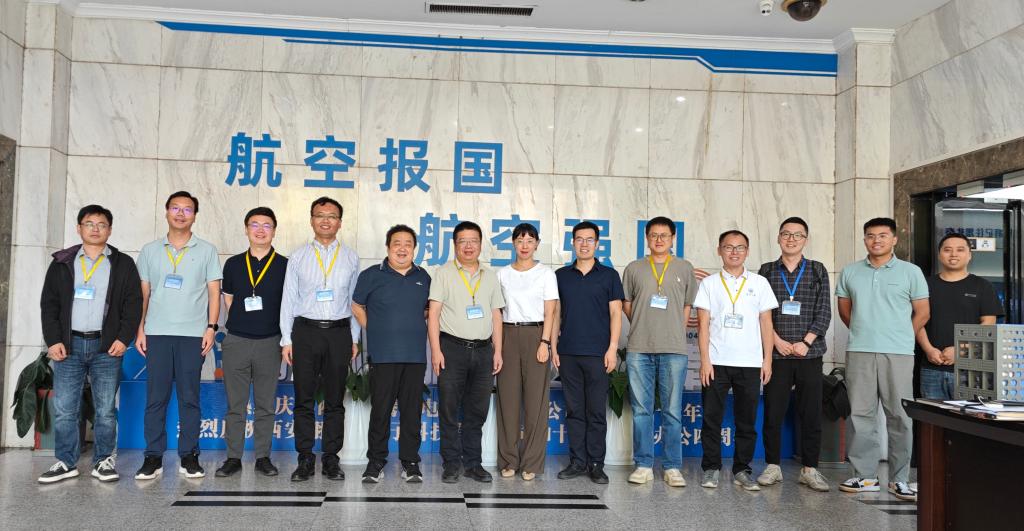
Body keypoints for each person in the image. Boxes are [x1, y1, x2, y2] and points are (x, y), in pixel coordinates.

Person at [38, 205, 142, 484]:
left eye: (101, 224)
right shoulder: (62, 263)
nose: (95, 229)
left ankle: (103, 461)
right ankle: (65, 462)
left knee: (105, 409)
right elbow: (49, 304)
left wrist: (123, 339)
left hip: (106, 347)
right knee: (65, 409)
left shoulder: (122, 264)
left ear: (110, 229)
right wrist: (53, 340)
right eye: (89, 223)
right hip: (68, 346)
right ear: (79, 228)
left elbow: (133, 304)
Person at [837, 217, 929, 502]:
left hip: (898, 353)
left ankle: (900, 479)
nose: (876, 240)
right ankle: (865, 476)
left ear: (894, 239)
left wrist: (901, 335)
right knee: (860, 414)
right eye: (870, 235)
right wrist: (866, 332)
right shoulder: (850, 272)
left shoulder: (911, 272)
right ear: (864, 239)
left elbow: (923, 312)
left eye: (882, 235)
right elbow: (845, 311)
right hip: (860, 350)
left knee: (900, 415)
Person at [134, 191, 222, 480]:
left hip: (192, 335)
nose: (181, 213)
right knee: (155, 398)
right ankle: (153, 457)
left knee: (189, 398)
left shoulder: (207, 250)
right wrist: (140, 328)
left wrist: (211, 327)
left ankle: (189, 455)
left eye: (187, 209)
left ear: (195, 215)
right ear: (166, 212)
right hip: (157, 333)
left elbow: (214, 292)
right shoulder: (150, 250)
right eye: (175, 208)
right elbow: (144, 293)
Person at [280, 196, 361, 482]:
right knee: (303, 399)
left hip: (339, 333)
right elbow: (288, 299)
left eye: (332, 216)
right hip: (305, 332)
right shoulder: (298, 257)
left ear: (340, 222)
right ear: (311, 220)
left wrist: (354, 337)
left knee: (335, 400)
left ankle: (331, 459)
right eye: (320, 215)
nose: (325, 220)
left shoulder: (351, 257)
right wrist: (287, 339)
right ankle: (304, 458)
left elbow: (354, 301)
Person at [693, 230, 776, 491]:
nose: (734, 252)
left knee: (746, 420)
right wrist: (705, 360)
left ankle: (742, 469)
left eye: (740, 247)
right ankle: (711, 469)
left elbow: (766, 323)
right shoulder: (709, 284)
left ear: (747, 251)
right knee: (711, 419)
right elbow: (703, 325)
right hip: (716, 361)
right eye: (728, 247)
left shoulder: (759, 283)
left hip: (750, 363)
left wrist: (767, 360)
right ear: (719, 250)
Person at [755, 217, 832, 492]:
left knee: (810, 413)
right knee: (773, 413)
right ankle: (772, 466)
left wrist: (806, 342)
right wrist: (775, 341)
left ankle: (810, 469)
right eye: (786, 234)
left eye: (797, 235)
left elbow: (824, 311)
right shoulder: (766, 271)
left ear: (805, 240)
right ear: (778, 238)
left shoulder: (817, 270)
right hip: (776, 355)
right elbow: (760, 312)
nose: (791, 239)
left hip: (809, 354)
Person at [352, 224, 431, 484]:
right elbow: (356, 306)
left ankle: (410, 463)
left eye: (408, 244)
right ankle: (375, 462)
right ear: (387, 247)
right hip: (383, 356)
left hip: (415, 357)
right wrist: (375, 328)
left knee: (411, 412)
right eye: (397, 243)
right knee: (381, 411)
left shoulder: (424, 277)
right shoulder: (371, 275)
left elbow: (428, 311)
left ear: (414, 249)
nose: (402, 248)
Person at [622, 217, 697, 487]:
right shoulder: (634, 268)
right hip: (639, 348)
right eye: (654, 235)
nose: (659, 240)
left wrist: (674, 329)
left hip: (674, 349)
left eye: (664, 235)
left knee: (672, 411)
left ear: (673, 238)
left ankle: (672, 466)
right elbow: (627, 304)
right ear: (646, 237)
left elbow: (687, 306)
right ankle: (643, 465)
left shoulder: (684, 268)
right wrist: (643, 324)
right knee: (641, 410)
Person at [428, 221, 505, 484]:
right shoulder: (443, 273)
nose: (468, 246)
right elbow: (434, 314)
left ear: (481, 245)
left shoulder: (490, 276)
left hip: (483, 351)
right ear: (455, 245)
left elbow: (496, 315)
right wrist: (436, 350)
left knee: (477, 410)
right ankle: (451, 463)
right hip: (452, 349)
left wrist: (498, 351)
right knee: (449, 409)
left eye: (473, 241)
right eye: (463, 241)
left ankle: (473, 463)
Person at [215, 207, 288, 478]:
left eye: (266, 225)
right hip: (237, 341)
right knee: (236, 405)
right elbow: (229, 300)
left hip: (270, 342)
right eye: (254, 224)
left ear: (274, 231)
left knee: (265, 405)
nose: (260, 230)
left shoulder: (285, 265)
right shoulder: (234, 264)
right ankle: (233, 458)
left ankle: (263, 458)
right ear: (246, 229)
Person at [552, 221, 624, 485]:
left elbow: (616, 313)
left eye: (589, 239)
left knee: (595, 412)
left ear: (597, 243)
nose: (584, 244)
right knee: (574, 411)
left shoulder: (609, 275)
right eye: (579, 239)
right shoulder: (561, 275)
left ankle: (596, 464)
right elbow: (556, 314)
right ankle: (577, 462)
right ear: (572, 243)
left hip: (598, 354)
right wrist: (553, 347)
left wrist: (612, 348)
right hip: (568, 353)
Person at [495, 223, 558, 481]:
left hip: (536, 335)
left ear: (537, 244)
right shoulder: (502, 274)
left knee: (536, 404)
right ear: (513, 243)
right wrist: (497, 347)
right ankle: (508, 460)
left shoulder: (546, 274)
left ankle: (531, 462)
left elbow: (551, 312)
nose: (524, 245)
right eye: (520, 240)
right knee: (507, 402)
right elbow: (497, 312)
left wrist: (545, 342)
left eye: (530, 240)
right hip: (508, 334)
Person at [916, 232, 1002, 400]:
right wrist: (928, 350)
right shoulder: (924, 285)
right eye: (947, 250)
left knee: (970, 415)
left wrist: (961, 350)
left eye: (960, 250)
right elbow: (917, 321)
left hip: (970, 368)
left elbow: (988, 324)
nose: (953, 254)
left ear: (969, 255)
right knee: (932, 415)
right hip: (931, 368)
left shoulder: (983, 286)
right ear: (939, 255)